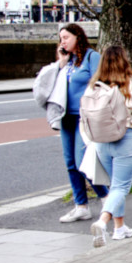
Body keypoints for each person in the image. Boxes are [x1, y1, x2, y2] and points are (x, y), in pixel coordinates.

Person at [85, 45, 132, 247]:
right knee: (120, 187)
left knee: (113, 186)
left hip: (101, 141)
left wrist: (89, 140)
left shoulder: (95, 86)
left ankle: (120, 228)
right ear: (125, 60)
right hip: (126, 138)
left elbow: (85, 117)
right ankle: (102, 222)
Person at [32, 24, 109, 223]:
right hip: (66, 117)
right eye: (61, 39)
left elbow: (103, 82)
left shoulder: (92, 57)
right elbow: (48, 84)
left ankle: (107, 199)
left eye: (66, 37)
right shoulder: (67, 62)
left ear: (78, 37)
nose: (63, 42)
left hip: (85, 117)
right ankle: (81, 206)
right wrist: (61, 62)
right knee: (71, 164)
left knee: (84, 162)